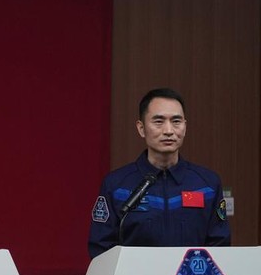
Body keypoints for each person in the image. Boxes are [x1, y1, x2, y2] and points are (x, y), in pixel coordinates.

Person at [88, 88, 230, 258]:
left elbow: (220, 246)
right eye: (158, 121)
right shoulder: (117, 185)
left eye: (176, 121)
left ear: (185, 127)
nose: (168, 130)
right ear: (141, 128)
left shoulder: (207, 184)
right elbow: (101, 248)